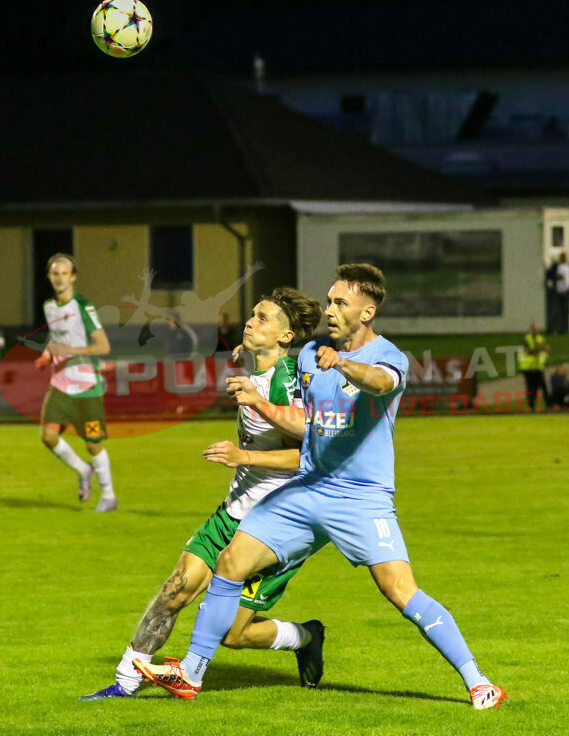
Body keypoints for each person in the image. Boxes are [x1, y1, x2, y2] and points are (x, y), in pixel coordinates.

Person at [133, 263, 507, 710]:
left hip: (361, 499)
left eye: (340, 302)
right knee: (231, 562)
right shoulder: (311, 354)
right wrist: (254, 370)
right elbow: (299, 409)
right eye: (329, 300)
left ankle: (478, 681)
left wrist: (344, 363)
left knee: (400, 592)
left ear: (366, 312)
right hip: (307, 490)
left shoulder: (387, 356)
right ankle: (191, 672)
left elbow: (381, 382)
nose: (330, 309)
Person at [81, 288, 326, 701]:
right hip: (232, 514)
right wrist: (243, 359)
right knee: (175, 589)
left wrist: (240, 454)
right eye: (252, 314)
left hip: (276, 526)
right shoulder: (259, 365)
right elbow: (253, 366)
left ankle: (305, 637)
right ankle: (124, 683)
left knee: (233, 634)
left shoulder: (286, 382)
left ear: (287, 337)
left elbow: (311, 455)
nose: (250, 321)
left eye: (263, 318)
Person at [34, 253, 117, 512]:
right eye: (54, 273)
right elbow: (56, 338)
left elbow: (103, 346)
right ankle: (83, 470)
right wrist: (47, 353)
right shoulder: (48, 306)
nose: (59, 278)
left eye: (64, 274)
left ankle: (108, 496)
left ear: (73, 278)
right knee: (48, 436)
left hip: (86, 386)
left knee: (92, 443)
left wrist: (69, 350)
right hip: (59, 383)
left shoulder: (83, 306)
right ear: (49, 277)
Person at [518, 323, 549, 411]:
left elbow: (545, 348)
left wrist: (538, 349)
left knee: (542, 387)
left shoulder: (539, 338)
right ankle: (531, 406)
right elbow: (528, 351)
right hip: (527, 367)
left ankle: (548, 405)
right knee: (531, 387)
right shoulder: (527, 339)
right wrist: (538, 349)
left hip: (536, 367)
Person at [554, 252, 569, 334]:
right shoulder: (556, 266)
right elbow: (552, 276)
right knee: (559, 311)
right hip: (559, 291)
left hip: (566, 291)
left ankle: (566, 328)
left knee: (566, 311)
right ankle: (559, 328)